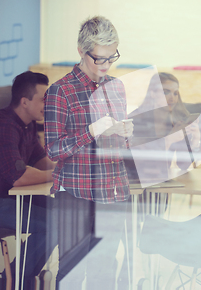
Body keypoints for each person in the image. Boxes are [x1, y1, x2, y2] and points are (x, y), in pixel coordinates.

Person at [44, 16, 135, 289]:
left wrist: (127, 136)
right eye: (99, 58)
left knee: (106, 270)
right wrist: (91, 132)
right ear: (81, 52)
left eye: (112, 57)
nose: (106, 65)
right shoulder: (60, 92)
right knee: (72, 272)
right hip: (75, 195)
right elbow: (53, 150)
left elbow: (120, 148)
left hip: (113, 191)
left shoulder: (116, 87)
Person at [0, 71, 56, 289]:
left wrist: (67, 168)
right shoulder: (3, 127)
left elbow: (42, 161)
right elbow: (20, 177)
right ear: (25, 102)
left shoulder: (27, 124)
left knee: (62, 213)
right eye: (45, 99)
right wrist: (59, 174)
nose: (50, 103)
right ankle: (15, 280)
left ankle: (18, 278)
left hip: (4, 199)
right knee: (53, 224)